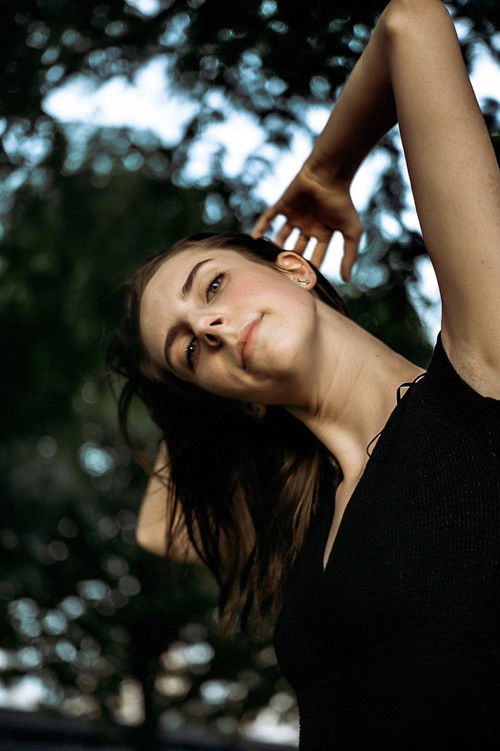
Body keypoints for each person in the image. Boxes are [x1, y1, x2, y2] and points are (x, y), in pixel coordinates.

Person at [107, 0, 500, 747]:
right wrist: (175, 387)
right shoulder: (302, 518)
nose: (210, 327)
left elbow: (412, 21)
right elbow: (160, 532)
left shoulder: (480, 374)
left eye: (213, 286)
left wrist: (326, 169)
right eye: (191, 349)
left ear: (295, 267)